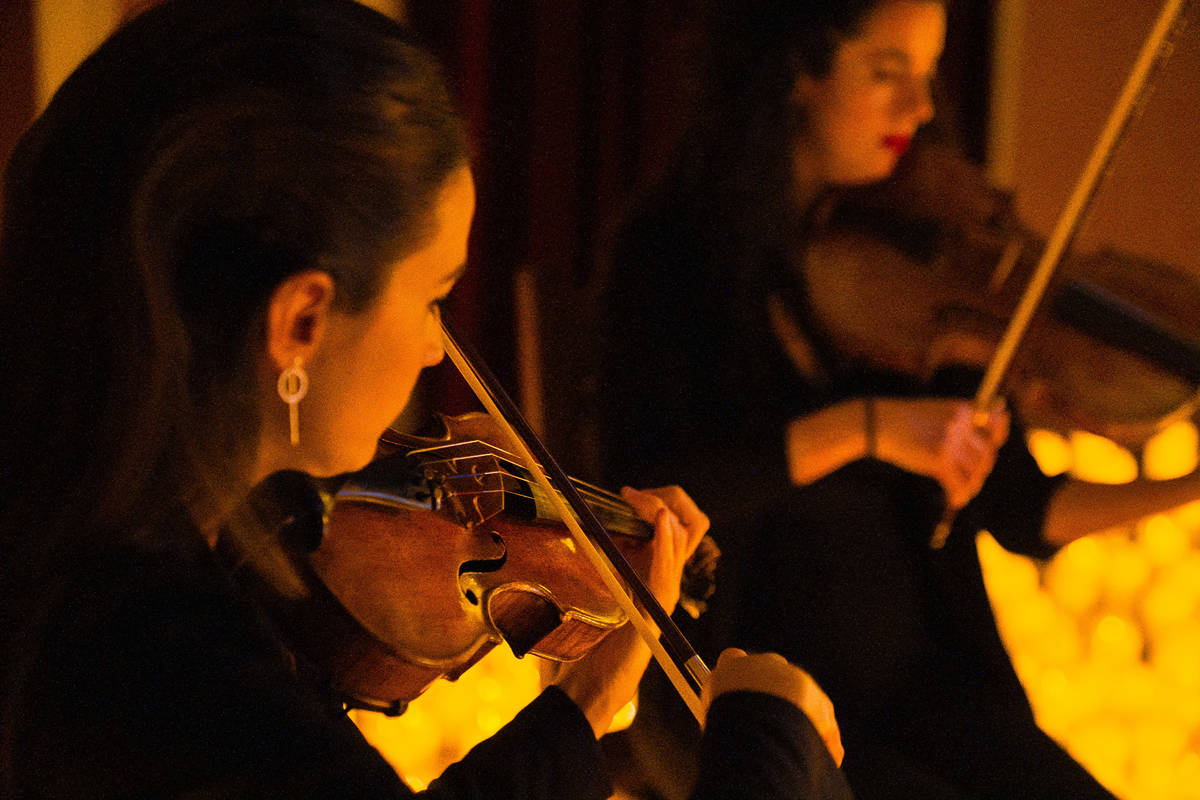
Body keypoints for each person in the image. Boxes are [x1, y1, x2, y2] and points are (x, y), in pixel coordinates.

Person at [0, 1, 854, 797]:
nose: (433, 348)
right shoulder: (160, 662)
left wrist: (585, 707)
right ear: (301, 318)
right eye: (432, 297)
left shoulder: (81, 536)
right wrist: (771, 748)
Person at [598, 0, 1200, 797]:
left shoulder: (921, 247)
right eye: (888, 75)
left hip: (927, 688)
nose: (919, 110)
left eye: (926, 76)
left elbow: (1021, 507)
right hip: (745, 693)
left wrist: (1186, 487)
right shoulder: (669, 253)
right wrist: (866, 429)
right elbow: (658, 490)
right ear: (798, 72)